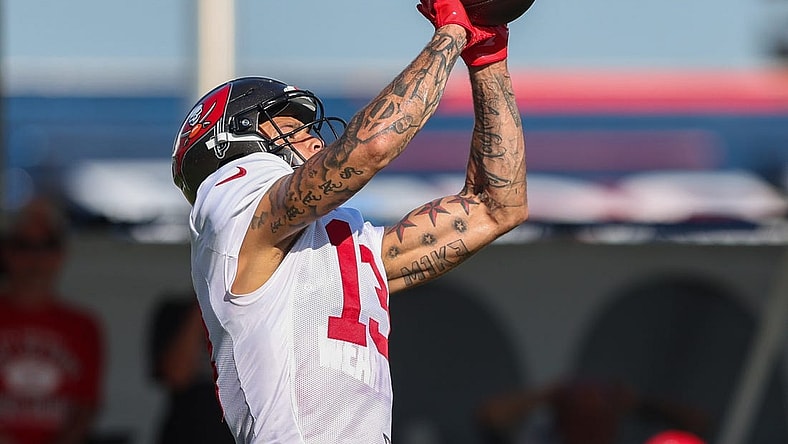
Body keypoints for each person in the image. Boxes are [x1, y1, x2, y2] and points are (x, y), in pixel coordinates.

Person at [170, 0, 528, 442]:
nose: (312, 135)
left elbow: (498, 206)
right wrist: (452, 30)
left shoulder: (341, 243)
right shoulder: (229, 199)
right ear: (229, 142)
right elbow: (370, 148)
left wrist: (487, 55)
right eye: (291, 128)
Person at [0, 197, 104, 444]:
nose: (35, 258)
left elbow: (87, 405)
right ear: (7, 252)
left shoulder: (84, 327)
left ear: (60, 254)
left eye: (47, 245)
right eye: (24, 245)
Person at [147, 294, 235, 444]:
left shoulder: (255, 313)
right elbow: (175, 375)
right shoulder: (174, 312)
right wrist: (204, 301)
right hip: (188, 429)